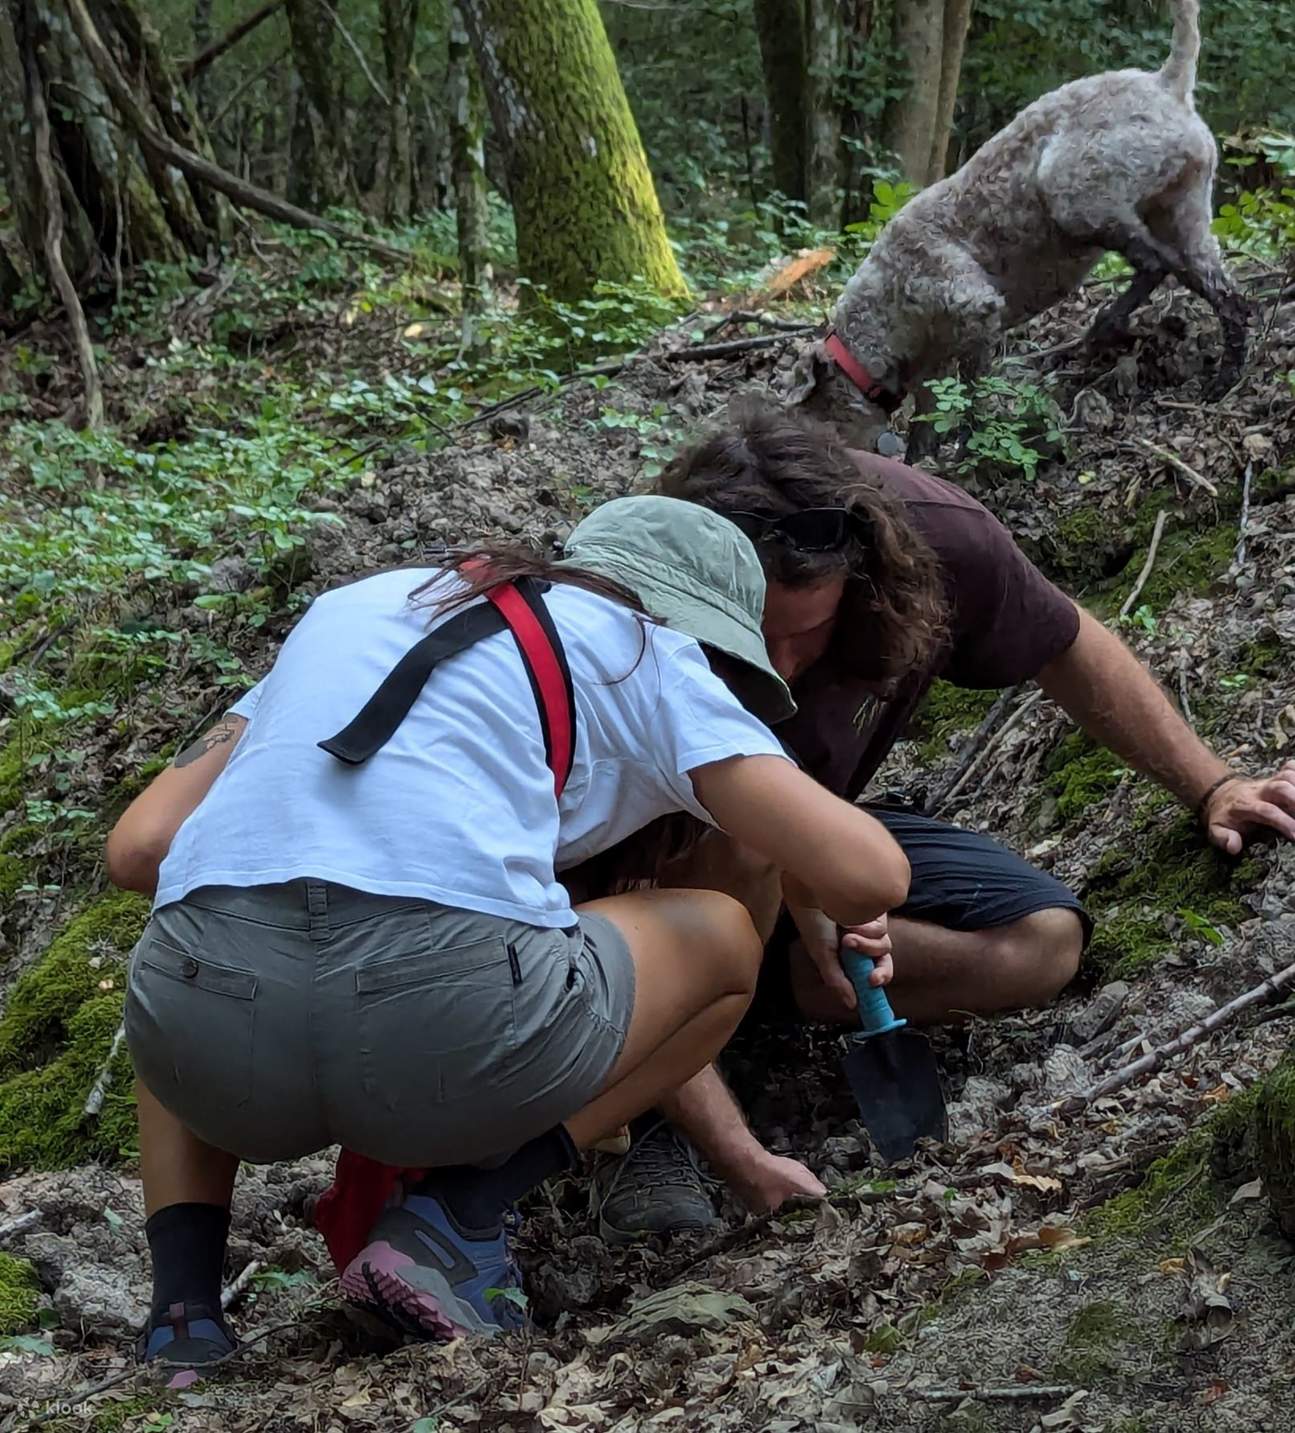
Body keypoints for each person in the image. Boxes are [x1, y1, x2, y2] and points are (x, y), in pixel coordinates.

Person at [105, 495, 910, 1364]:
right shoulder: (647, 649)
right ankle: (457, 1218)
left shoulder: (358, 611)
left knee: (198, 912)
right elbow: (872, 873)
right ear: (684, 621)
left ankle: (184, 1318)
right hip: (446, 1036)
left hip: (215, 1058)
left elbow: (141, 847)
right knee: (719, 938)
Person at [580, 397, 1295, 1244]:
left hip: (815, 835)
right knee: (735, 844)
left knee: (1041, 942)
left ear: (862, 577)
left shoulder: (934, 537)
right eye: (748, 639)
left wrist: (1210, 784)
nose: (776, 667)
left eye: (802, 633)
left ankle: (784, 994)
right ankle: (647, 1113)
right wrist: (735, 1152)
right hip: (648, 879)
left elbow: (1064, 642)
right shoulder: (632, 603)